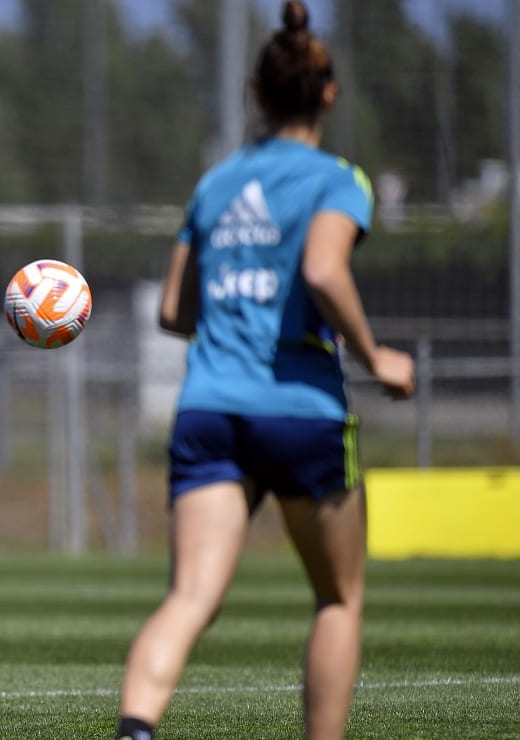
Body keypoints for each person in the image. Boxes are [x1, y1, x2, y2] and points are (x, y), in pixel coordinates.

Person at [114, 3, 415, 739]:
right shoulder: (339, 179)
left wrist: (231, 307)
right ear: (329, 94)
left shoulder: (217, 185)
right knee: (339, 598)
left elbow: (172, 312)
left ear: (256, 94)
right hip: (300, 409)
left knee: (190, 597)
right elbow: (322, 267)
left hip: (211, 407)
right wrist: (376, 358)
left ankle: (136, 727)